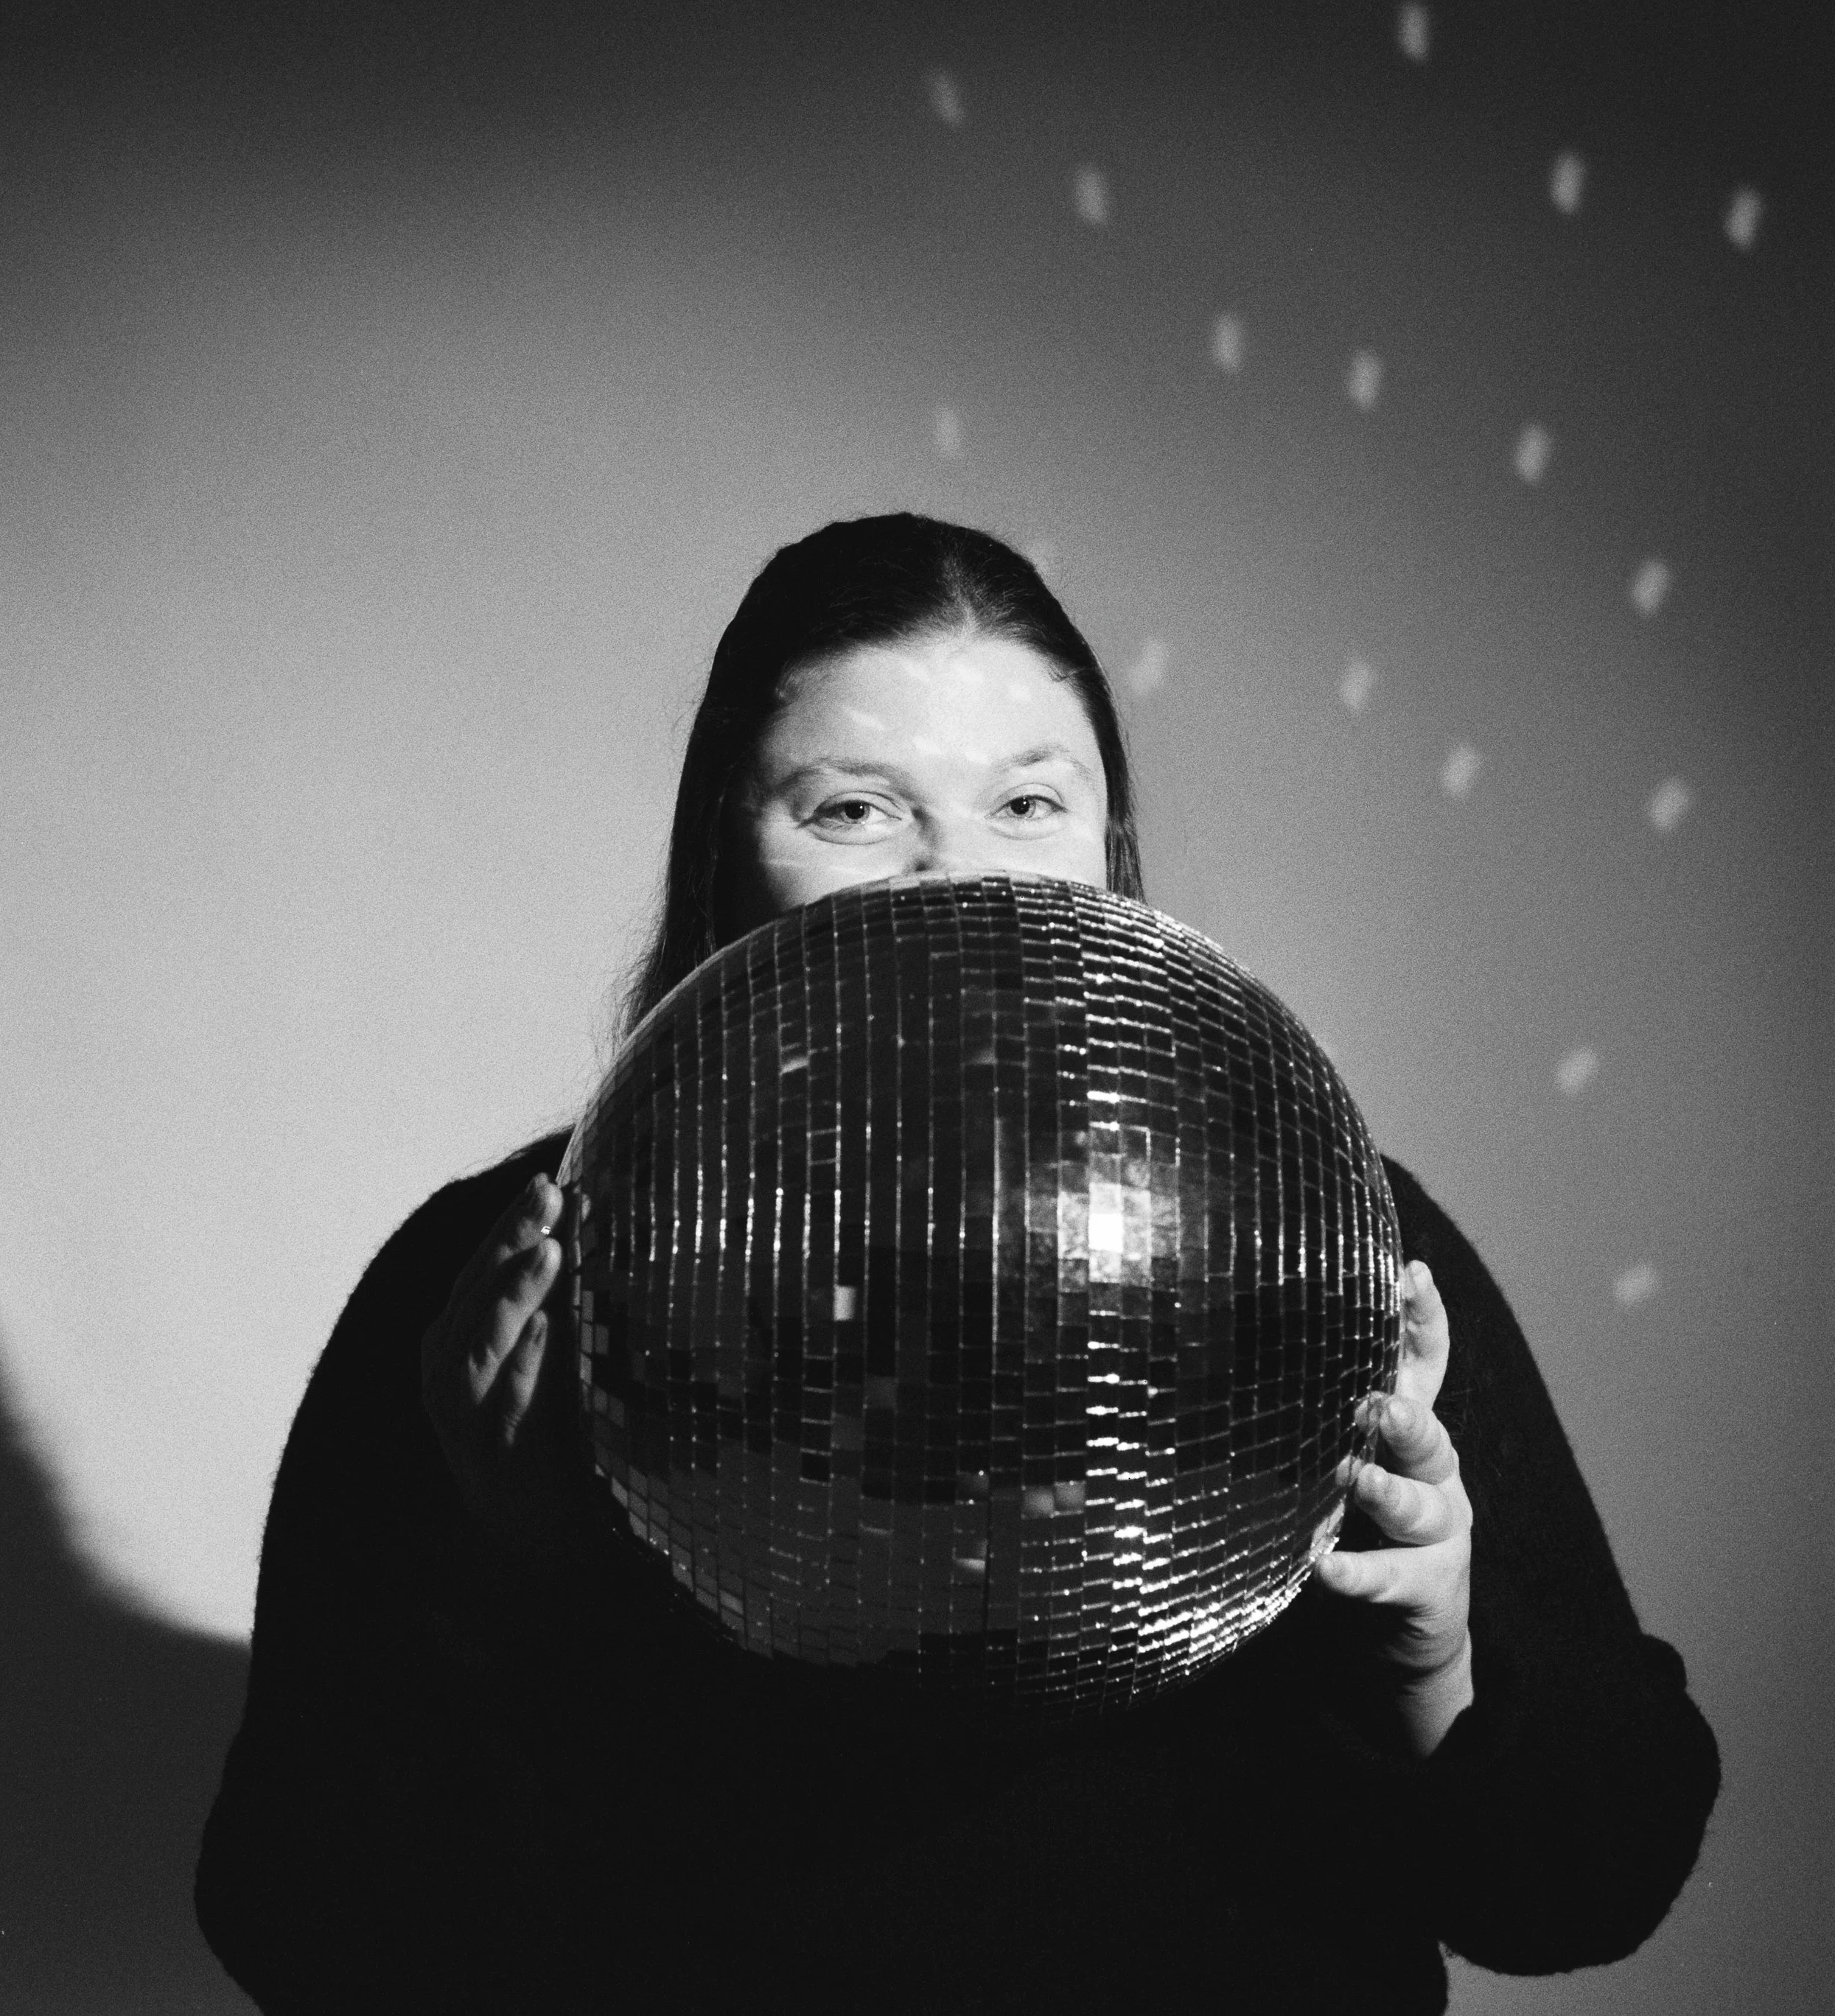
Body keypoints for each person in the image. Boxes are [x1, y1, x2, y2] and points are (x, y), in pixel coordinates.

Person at [195, 514, 1719, 2014]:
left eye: (1027, 803)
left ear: (1112, 860)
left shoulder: (1314, 1244)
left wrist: (1430, 1658)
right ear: (722, 860)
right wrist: (525, 1588)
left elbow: (1588, 1883)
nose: (958, 880)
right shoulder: (505, 1285)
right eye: (852, 808)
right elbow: (305, 1928)